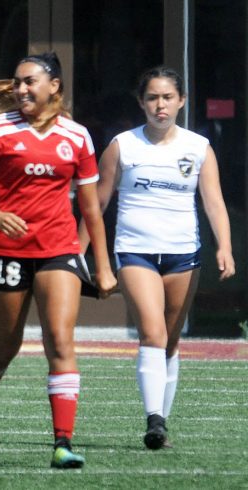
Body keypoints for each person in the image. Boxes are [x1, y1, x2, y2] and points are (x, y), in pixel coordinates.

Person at [0, 53, 117, 469]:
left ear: (54, 87)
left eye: (30, 81)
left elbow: (91, 208)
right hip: (6, 252)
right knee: (4, 346)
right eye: (17, 82)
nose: (21, 89)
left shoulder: (77, 136)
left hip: (59, 250)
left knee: (60, 341)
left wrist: (102, 266)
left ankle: (63, 443)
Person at [78, 66, 235, 450]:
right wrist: (77, 253)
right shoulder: (122, 145)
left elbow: (213, 202)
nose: (160, 105)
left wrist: (224, 246)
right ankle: (154, 419)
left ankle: (160, 427)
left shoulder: (198, 147)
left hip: (183, 254)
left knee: (170, 340)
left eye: (167, 97)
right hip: (135, 251)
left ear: (181, 101)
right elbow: (97, 202)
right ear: (141, 102)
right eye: (152, 98)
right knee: (152, 333)